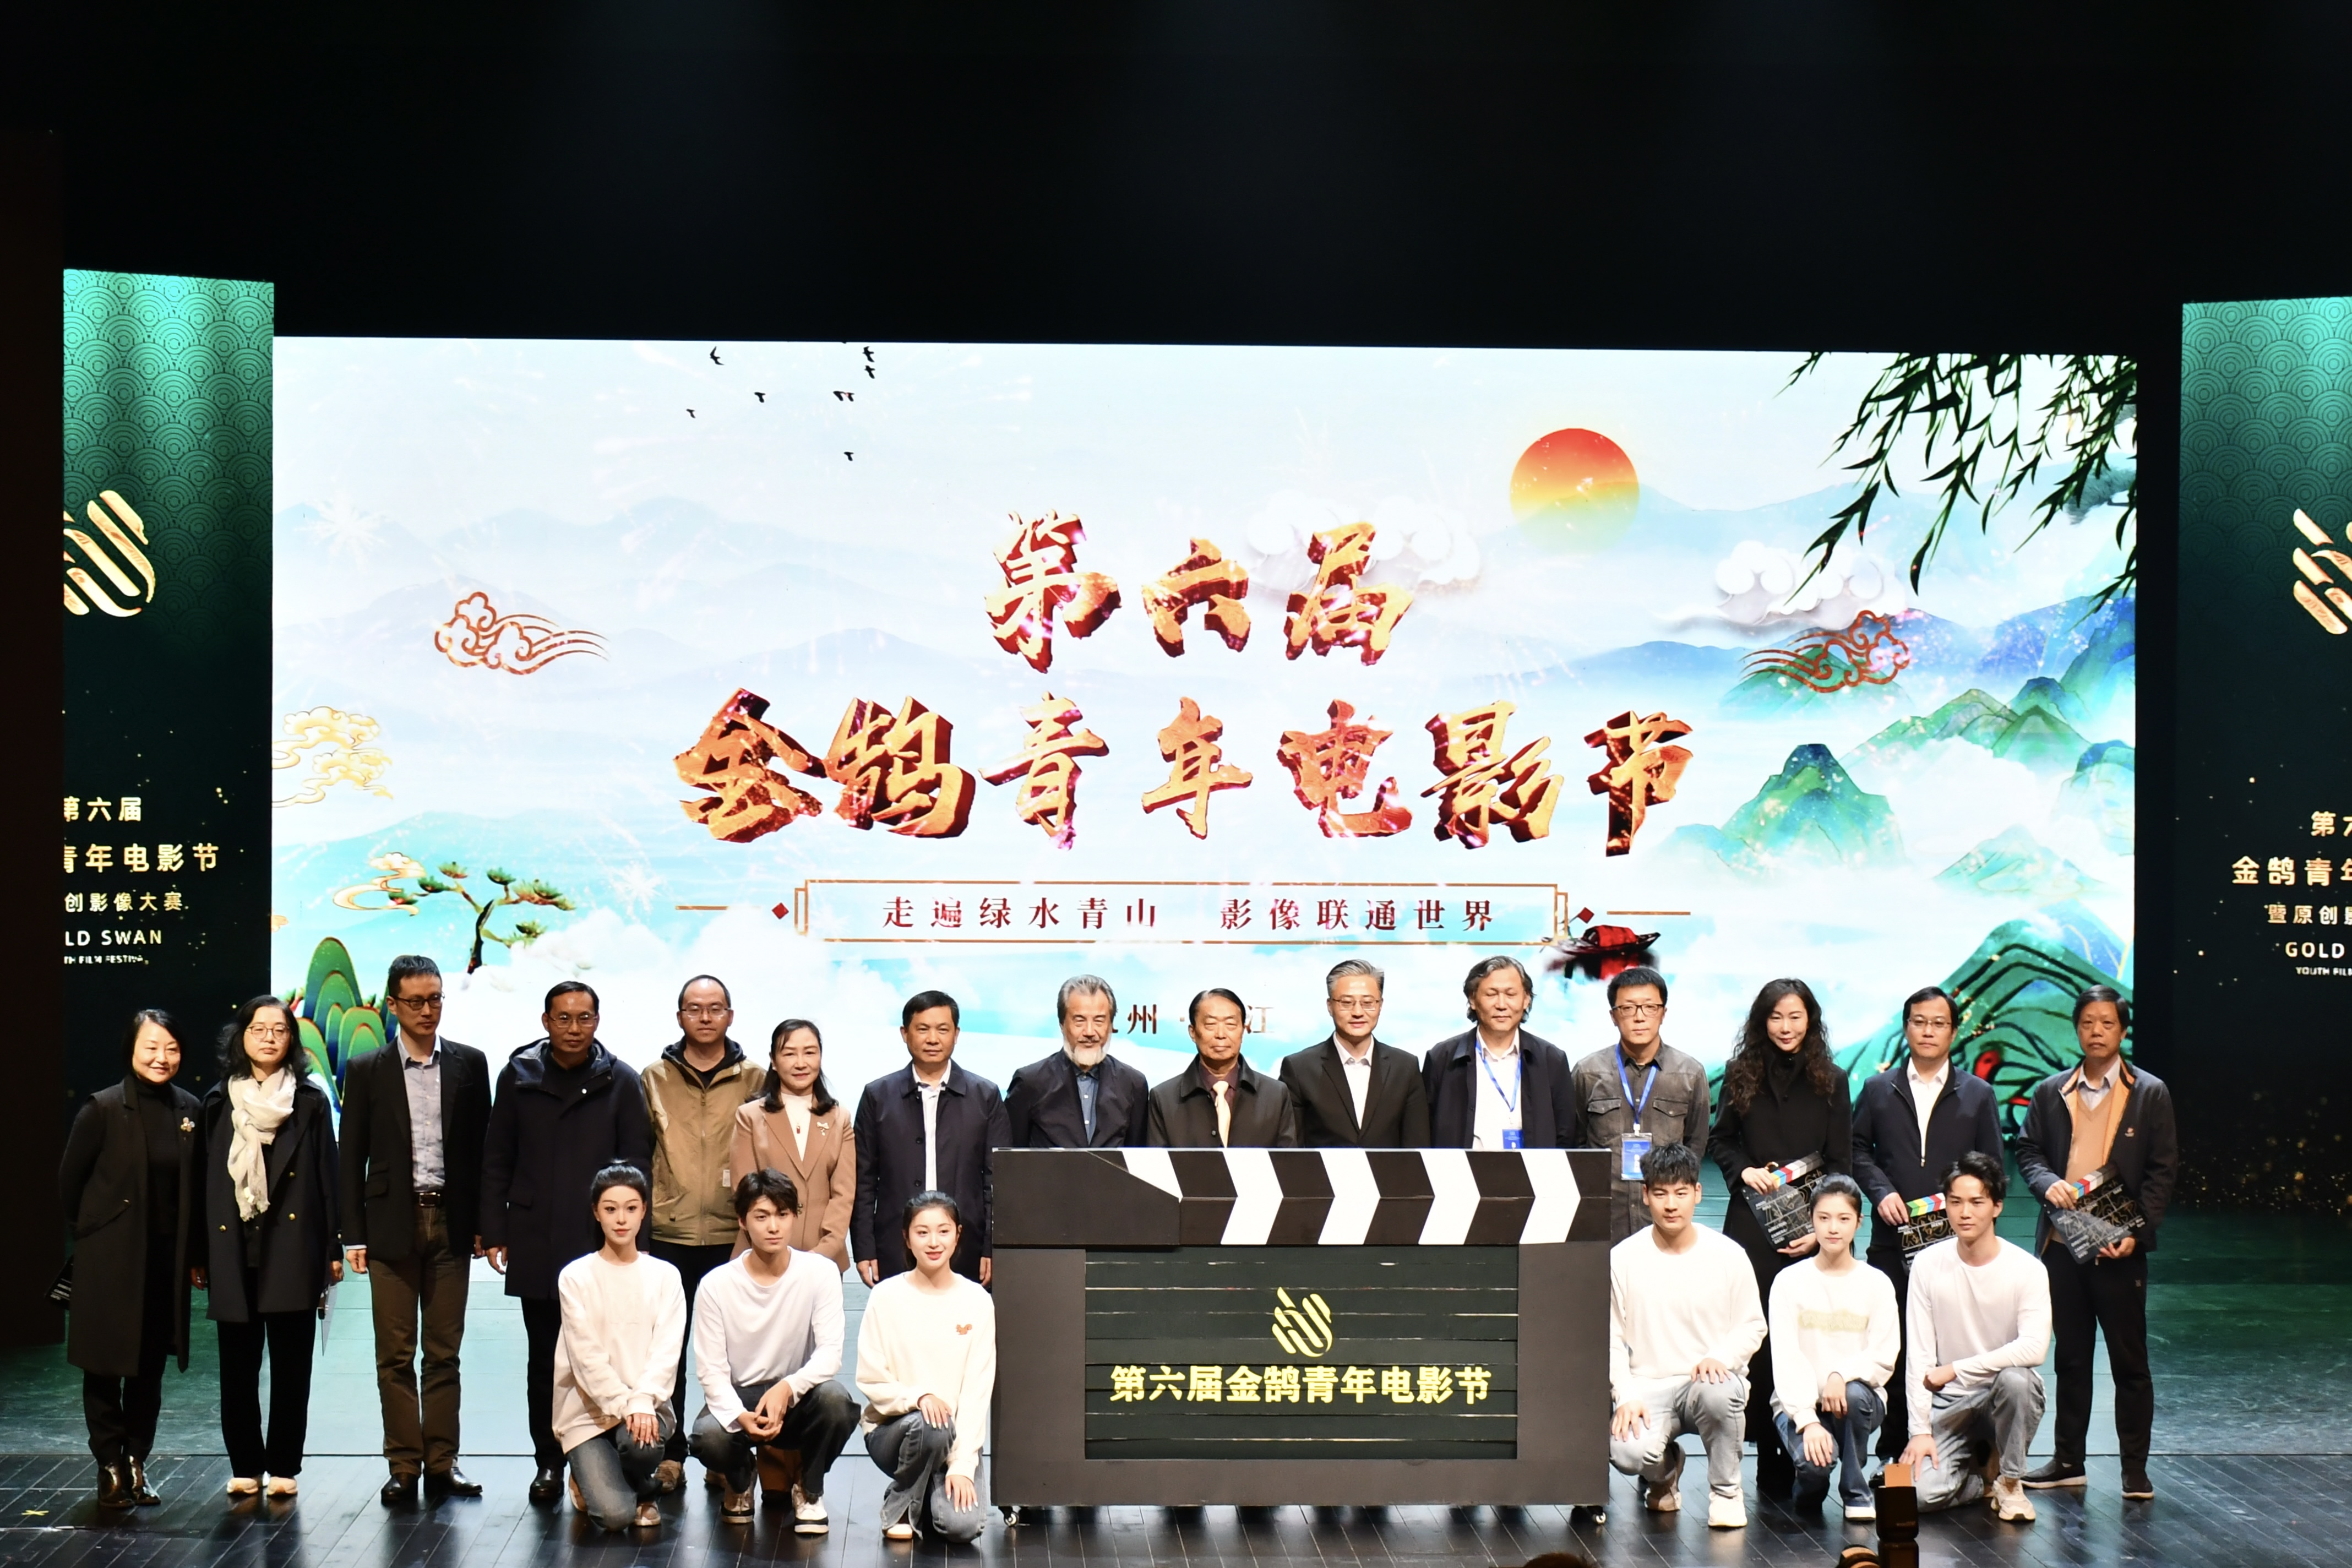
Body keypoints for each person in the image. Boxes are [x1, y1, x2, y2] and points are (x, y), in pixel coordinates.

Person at [481, 981, 654, 1505]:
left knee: (609, 1355)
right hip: (536, 1238)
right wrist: (495, 1231)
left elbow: (638, 1167)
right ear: (545, 1022)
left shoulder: (621, 1080)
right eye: (563, 1018)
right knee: (545, 1360)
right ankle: (549, 1462)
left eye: (584, 1018)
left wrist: (638, 1242)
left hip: (603, 1243)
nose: (574, 1028)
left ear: (597, 1022)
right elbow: (497, 1156)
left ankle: (605, 1461)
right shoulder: (519, 1076)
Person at [337, 954, 492, 1504]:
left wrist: (485, 1223)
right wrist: (353, 1235)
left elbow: (484, 1153)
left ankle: (442, 1463)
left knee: (444, 1353)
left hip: (452, 1223)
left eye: (436, 999)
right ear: (393, 1005)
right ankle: (404, 1464)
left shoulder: (471, 1063)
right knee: (395, 1355)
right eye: (416, 1001)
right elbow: (350, 1155)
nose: (428, 1010)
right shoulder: (367, 1069)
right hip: (390, 1225)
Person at [2014, 986, 2176, 1502]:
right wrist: (2047, 1184)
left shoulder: (2149, 1092)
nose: (2097, 1032)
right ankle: (2068, 1461)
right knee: (2071, 1359)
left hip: (2117, 1247)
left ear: (2123, 1031)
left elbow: (2162, 1170)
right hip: (2063, 1245)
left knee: (2130, 1362)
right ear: (2077, 1029)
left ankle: (2134, 1469)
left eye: (2107, 1023)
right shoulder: (2050, 1091)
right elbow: (2028, 1151)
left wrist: (2136, 1234)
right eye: (2088, 1023)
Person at [1709, 978, 1854, 1499]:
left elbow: (1841, 1162)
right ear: (1761, 1021)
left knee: (1804, 1336)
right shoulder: (1739, 1074)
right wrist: (1744, 1171)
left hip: (1814, 1230)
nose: (1786, 1027)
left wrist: (1821, 1233)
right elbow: (1721, 1140)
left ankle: (1803, 1446)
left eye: (1795, 1017)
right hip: (1752, 1225)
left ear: (1810, 1020)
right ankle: (1763, 1453)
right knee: (1758, 1337)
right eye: (1776, 1017)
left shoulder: (1833, 1080)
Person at [1848, 983, 2003, 1467]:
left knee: (1953, 1346)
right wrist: (1881, 1192)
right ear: (1906, 1027)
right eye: (1919, 1022)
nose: (1929, 1031)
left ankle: (1965, 1452)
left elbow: (1993, 1167)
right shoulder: (1879, 1089)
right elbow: (1856, 1150)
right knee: (1894, 1348)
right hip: (1892, 1243)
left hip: (1957, 1247)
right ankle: (1894, 1453)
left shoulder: (1977, 1094)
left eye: (1939, 1023)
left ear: (1954, 1032)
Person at [198, 995, 342, 1498]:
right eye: (258, 1029)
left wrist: (334, 1248)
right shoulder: (218, 1101)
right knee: (237, 1368)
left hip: (293, 1248)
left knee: (291, 1367)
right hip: (234, 1248)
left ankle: (283, 1464)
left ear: (291, 1040)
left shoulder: (310, 1101)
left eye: (279, 1030)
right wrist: (199, 1253)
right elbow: (203, 1183)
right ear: (241, 1037)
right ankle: (245, 1464)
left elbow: (328, 1178)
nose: (269, 1038)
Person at [58, 1010, 202, 1509]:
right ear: (132, 1051)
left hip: (164, 1263)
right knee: (103, 1366)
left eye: (172, 1049)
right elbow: (69, 1184)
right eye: (151, 1048)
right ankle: (109, 1466)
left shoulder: (189, 1109)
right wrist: (96, 1237)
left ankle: (137, 1461)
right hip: (110, 1261)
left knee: (148, 1369)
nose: (162, 1058)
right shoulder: (102, 1108)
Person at [641, 974, 769, 1489]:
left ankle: (726, 1455)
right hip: (668, 1233)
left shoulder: (755, 1077)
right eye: (694, 1008)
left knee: (732, 1354)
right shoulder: (653, 1078)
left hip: (731, 1235)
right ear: (680, 1017)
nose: (705, 1017)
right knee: (667, 1352)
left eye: (716, 1008)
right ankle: (670, 1454)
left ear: (730, 1016)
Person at [1605, 1142, 1765, 1531]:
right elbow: (1610, 1336)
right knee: (1627, 1453)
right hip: (1649, 1386)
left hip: (1706, 1382)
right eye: (1661, 1194)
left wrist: (1721, 1357)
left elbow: (1752, 1325)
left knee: (1720, 1392)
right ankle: (1664, 1474)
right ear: (1646, 1195)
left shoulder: (1728, 1254)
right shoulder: (1623, 1258)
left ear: (1698, 1193)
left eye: (1680, 1193)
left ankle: (1726, 1492)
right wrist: (1625, 1395)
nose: (1671, 1205)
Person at [688, 1169, 858, 1529]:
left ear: (795, 1216)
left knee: (837, 1403)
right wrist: (739, 1415)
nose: (774, 1227)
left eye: (783, 1214)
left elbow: (830, 1354)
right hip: (742, 1394)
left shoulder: (820, 1272)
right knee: (707, 1438)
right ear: (743, 1221)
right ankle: (741, 1479)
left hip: (797, 1397)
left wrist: (788, 1387)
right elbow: (711, 1372)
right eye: (761, 1216)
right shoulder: (717, 1285)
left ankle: (809, 1489)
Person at [1897, 1150, 2050, 1522]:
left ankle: (2010, 1482)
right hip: (1950, 1403)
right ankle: (1982, 1480)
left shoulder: (2027, 1269)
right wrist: (1919, 1431)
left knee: (2019, 1381)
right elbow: (1919, 1354)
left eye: (1977, 1202)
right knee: (1917, 1497)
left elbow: (2034, 1348)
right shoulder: (1928, 1264)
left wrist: (1956, 1368)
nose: (1965, 1213)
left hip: (2001, 1394)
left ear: (1997, 1207)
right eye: (1956, 1202)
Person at [856, 1191, 997, 1543]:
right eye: (922, 1232)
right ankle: (902, 1505)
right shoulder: (885, 1296)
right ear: (907, 1238)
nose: (934, 1242)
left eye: (943, 1231)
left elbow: (977, 1392)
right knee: (934, 1423)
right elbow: (871, 1378)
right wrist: (919, 1397)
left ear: (958, 1235)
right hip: (895, 1431)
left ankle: (928, 1486)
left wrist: (962, 1466)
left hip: (954, 1438)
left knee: (961, 1527)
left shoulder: (977, 1301)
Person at [553, 1163, 685, 1531]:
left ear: (644, 1210)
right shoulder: (576, 1277)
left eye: (631, 1208)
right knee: (614, 1518)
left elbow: (666, 1353)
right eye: (610, 1209)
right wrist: (625, 1404)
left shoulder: (665, 1276)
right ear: (596, 1213)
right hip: (589, 1414)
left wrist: (641, 1401)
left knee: (643, 1446)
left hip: (646, 1411)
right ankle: (601, 1478)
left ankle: (639, 1484)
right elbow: (587, 1360)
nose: (621, 1219)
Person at [852, 992, 1010, 1286]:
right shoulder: (878, 1096)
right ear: (905, 1034)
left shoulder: (985, 1096)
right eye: (923, 1029)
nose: (933, 1039)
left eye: (943, 1029)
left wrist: (992, 1246)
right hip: (895, 1245)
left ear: (957, 1034)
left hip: (968, 1246)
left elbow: (997, 1181)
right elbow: (863, 1181)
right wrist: (864, 1247)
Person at [1766, 1174, 1898, 1518]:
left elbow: (1884, 1355)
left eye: (1843, 1219)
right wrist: (1808, 1421)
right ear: (1811, 1220)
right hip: (1800, 1403)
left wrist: (1842, 1374)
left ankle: (1855, 1492)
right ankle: (1809, 1489)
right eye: (1824, 1218)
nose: (1833, 1228)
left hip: (1857, 1401)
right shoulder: (1789, 1282)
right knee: (1815, 1469)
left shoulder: (1877, 1283)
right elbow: (1787, 1358)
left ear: (1859, 1222)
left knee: (1852, 1395)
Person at [1572, 965, 1710, 1243]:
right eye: (1627, 1008)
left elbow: (1695, 1146)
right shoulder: (1588, 1072)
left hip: (1664, 1221)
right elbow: (1574, 1144)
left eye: (1649, 1007)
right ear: (1613, 1016)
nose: (1639, 1017)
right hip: (1603, 1219)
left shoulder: (1689, 1073)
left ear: (1663, 1013)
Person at [729, 1020, 854, 1270]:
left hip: (823, 1261)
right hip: (761, 1256)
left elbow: (844, 1195)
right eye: (789, 1054)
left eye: (810, 1052)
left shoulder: (839, 1117)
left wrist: (821, 1254)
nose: (801, 1063)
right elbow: (744, 1190)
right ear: (774, 1061)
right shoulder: (750, 1116)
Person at [1423, 956, 1574, 1151]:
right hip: (1462, 1169)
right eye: (1491, 994)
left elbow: (1567, 1137)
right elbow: (1424, 1135)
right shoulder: (1442, 1058)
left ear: (1526, 999)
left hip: (1533, 1170)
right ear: (1473, 999)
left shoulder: (1551, 1060)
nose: (1502, 1005)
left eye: (1511, 994)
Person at [1279, 959, 1432, 1147]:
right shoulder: (1299, 1069)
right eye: (1347, 1003)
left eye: (1368, 1003)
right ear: (1330, 1006)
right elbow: (1291, 1151)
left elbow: (1417, 1147)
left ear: (1380, 1005)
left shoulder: (1405, 1068)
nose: (1358, 1012)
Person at [1005, 976, 1152, 1148]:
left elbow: (1138, 1157)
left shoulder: (1133, 1084)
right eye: (1080, 1020)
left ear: (1111, 1025)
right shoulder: (1030, 1083)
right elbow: (1009, 1157)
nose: (1089, 1032)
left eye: (1099, 1021)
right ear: (1062, 1024)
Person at [1148, 988, 1300, 1147]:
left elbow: (1288, 1160)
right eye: (1210, 1024)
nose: (1221, 1034)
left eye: (1231, 1025)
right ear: (1193, 1032)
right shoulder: (1164, 1098)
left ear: (1243, 1031)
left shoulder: (1275, 1095)